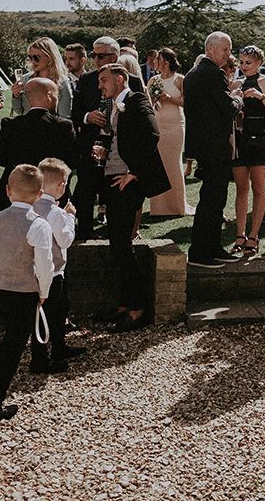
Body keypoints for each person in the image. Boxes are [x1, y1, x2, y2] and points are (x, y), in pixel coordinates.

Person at [0, 164, 54, 429]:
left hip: (0, 290)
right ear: (40, 194)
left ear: (8, 191)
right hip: (24, 293)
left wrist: (3, 276)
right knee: (13, 349)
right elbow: (45, 266)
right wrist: (43, 292)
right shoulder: (38, 225)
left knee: (9, 339)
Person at [95, 64, 170, 331]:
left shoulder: (136, 100)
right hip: (112, 177)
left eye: (104, 80)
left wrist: (133, 172)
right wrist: (105, 152)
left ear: (120, 79)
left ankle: (138, 308)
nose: (100, 85)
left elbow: (152, 134)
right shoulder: (114, 105)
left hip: (126, 182)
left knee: (122, 246)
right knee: (118, 245)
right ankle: (125, 304)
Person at [71, 36, 143, 240]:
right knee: (86, 189)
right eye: (93, 55)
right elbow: (74, 113)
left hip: (119, 146)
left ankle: (119, 231)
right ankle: (85, 231)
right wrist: (88, 116)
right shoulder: (86, 80)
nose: (95, 60)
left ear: (114, 57)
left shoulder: (133, 81)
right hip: (92, 142)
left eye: (100, 56)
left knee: (116, 191)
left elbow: (141, 116)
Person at [183, 32, 244, 268]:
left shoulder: (192, 74)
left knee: (214, 199)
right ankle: (201, 251)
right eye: (225, 50)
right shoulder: (213, 74)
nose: (228, 55)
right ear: (210, 49)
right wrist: (237, 98)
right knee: (212, 200)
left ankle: (213, 246)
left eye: (229, 50)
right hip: (215, 146)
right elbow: (228, 108)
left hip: (202, 145)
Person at [0, 78, 78, 211]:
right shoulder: (62, 126)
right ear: (49, 96)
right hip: (50, 194)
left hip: (17, 193)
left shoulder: (11, 124)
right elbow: (73, 160)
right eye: (56, 95)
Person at [30, 158, 81, 373]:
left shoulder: (31, 205)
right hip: (54, 270)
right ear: (61, 186)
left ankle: (59, 348)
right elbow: (66, 240)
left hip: (34, 268)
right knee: (50, 315)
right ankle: (40, 360)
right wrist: (70, 216)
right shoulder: (57, 212)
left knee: (56, 312)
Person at [230, 46, 265, 257]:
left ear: (258, 63)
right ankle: (239, 234)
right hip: (240, 138)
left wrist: (261, 97)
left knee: (259, 189)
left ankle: (254, 235)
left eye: (248, 63)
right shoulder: (235, 83)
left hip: (260, 138)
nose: (243, 67)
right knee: (241, 188)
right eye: (241, 62)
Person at [147, 48, 194, 216]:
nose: (154, 62)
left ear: (165, 61)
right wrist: (154, 99)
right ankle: (159, 207)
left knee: (174, 164)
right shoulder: (153, 80)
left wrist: (169, 99)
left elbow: (187, 103)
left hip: (175, 125)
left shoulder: (180, 79)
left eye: (157, 59)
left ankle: (177, 205)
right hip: (158, 124)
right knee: (159, 164)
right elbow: (148, 103)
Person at [12, 38, 73, 119]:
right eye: (30, 57)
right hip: (27, 128)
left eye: (36, 57)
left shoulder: (62, 81)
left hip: (51, 129)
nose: (33, 61)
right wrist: (15, 95)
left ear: (50, 57)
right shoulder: (26, 79)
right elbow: (19, 110)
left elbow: (64, 115)